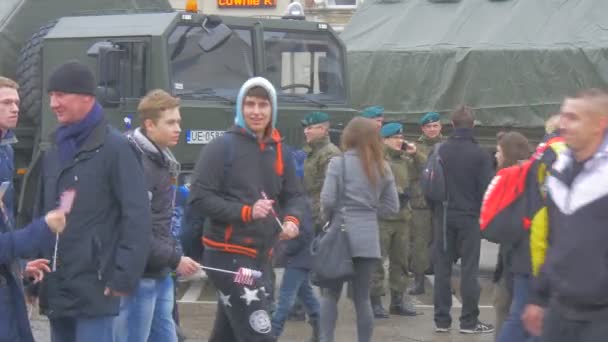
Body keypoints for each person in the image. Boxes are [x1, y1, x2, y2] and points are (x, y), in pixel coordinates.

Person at [30, 60, 151, 342]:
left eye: (60, 95)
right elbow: (40, 212)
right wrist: (33, 272)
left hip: (96, 286)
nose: (53, 103)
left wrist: (124, 275)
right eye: (50, 96)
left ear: (87, 97)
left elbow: (137, 216)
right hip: (57, 287)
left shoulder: (116, 149)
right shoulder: (54, 150)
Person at [188, 77, 304, 342]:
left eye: (263, 104)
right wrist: (246, 212)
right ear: (240, 107)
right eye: (249, 103)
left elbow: (295, 195)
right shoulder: (221, 147)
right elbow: (199, 198)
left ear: (272, 109)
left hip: (262, 256)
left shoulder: (281, 151)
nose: (256, 111)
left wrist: (292, 220)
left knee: (227, 334)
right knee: (259, 334)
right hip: (226, 255)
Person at [522, 89, 608, 342]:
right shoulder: (559, 171)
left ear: (599, 124)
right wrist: (538, 298)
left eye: (573, 117)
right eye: (563, 115)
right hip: (559, 312)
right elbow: (555, 243)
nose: (562, 123)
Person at [115, 89, 200, 342]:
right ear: (150, 124)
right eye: (171, 122)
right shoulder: (135, 163)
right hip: (139, 274)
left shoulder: (161, 159)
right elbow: (134, 228)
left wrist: (172, 256)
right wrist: (175, 258)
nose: (178, 128)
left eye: (179, 122)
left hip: (159, 270)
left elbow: (163, 221)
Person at [319, 117, 399, 342]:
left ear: (348, 136)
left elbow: (327, 199)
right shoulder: (383, 166)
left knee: (330, 296)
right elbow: (392, 206)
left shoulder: (338, 163)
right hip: (367, 239)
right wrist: (370, 214)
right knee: (362, 299)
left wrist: (329, 219)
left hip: (339, 236)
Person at [432, 106, 494, 334]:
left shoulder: (440, 150)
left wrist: (437, 211)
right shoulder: (480, 154)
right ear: (473, 125)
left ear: (452, 124)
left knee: (442, 269)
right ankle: (469, 322)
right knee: (469, 270)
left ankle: (441, 320)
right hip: (469, 217)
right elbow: (487, 190)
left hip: (444, 215)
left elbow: (430, 185)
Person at [370, 122, 419, 318]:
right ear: (384, 140)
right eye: (395, 138)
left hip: (402, 218)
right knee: (377, 263)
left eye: (401, 137)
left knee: (401, 262)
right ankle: (374, 301)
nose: (400, 141)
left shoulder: (406, 160)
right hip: (382, 218)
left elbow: (425, 172)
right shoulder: (377, 160)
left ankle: (397, 301)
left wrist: (415, 154)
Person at [491, 132, 533, 342]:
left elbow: (496, 228)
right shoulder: (532, 173)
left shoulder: (512, 178)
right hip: (517, 261)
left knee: (506, 311)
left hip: (516, 262)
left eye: (499, 152)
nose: (496, 156)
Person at [408, 111, 443, 295]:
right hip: (420, 201)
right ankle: (419, 280)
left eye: (435, 126)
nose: (432, 129)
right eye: (428, 127)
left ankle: (442, 280)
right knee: (419, 243)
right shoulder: (415, 148)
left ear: (440, 127)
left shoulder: (446, 146)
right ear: (422, 128)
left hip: (441, 200)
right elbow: (422, 170)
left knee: (442, 242)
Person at [302, 111, 341, 234]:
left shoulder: (330, 153)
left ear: (322, 129)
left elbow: (331, 191)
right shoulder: (314, 152)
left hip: (321, 219)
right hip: (311, 214)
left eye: (309, 128)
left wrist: (323, 220)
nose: (305, 131)